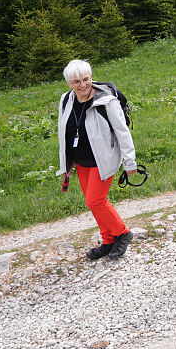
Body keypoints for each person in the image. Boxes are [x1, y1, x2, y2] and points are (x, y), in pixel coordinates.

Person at [57, 60, 137, 261]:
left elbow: (122, 132)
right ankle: (108, 240)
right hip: (81, 160)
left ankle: (123, 233)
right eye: (77, 81)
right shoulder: (66, 100)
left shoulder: (106, 101)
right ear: (69, 83)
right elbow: (63, 131)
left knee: (95, 200)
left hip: (103, 159)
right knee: (93, 203)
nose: (83, 85)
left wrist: (130, 162)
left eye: (86, 79)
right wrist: (67, 164)